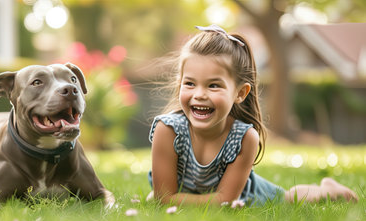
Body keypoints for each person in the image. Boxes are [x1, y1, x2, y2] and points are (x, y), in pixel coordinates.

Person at [148, 24, 358, 206]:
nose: (199, 94)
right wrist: (166, 199)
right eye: (190, 84)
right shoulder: (167, 131)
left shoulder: (244, 138)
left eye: (214, 85)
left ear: (240, 93)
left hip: (247, 196)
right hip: (211, 194)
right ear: (179, 85)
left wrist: (172, 200)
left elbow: (224, 202)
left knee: (290, 198)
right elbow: (163, 198)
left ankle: (328, 190)